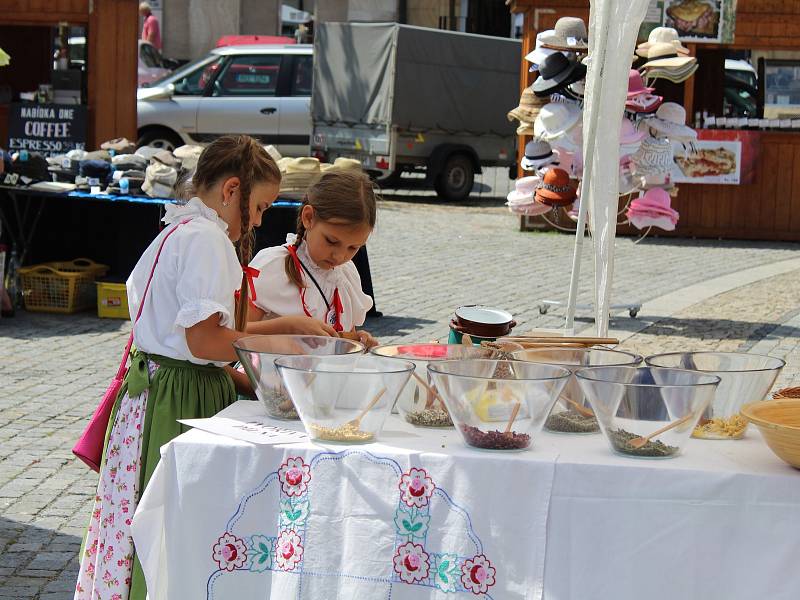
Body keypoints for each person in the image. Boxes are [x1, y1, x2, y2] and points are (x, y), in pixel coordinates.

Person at [74, 135, 336, 600]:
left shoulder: (177, 231)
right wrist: (279, 339)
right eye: (257, 208)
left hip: (154, 389)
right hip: (177, 398)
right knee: (178, 529)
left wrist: (257, 365)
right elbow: (203, 341)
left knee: (143, 514)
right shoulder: (205, 240)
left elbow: (183, 343)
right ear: (231, 190)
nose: (256, 221)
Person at [248, 169, 379, 348]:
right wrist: (287, 327)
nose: (340, 256)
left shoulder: (346, 274)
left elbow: (339, 336)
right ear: (308, 218)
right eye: (331, 241)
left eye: (353, 248)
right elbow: (234, 334)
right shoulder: (273, 267)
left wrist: (356, 341)